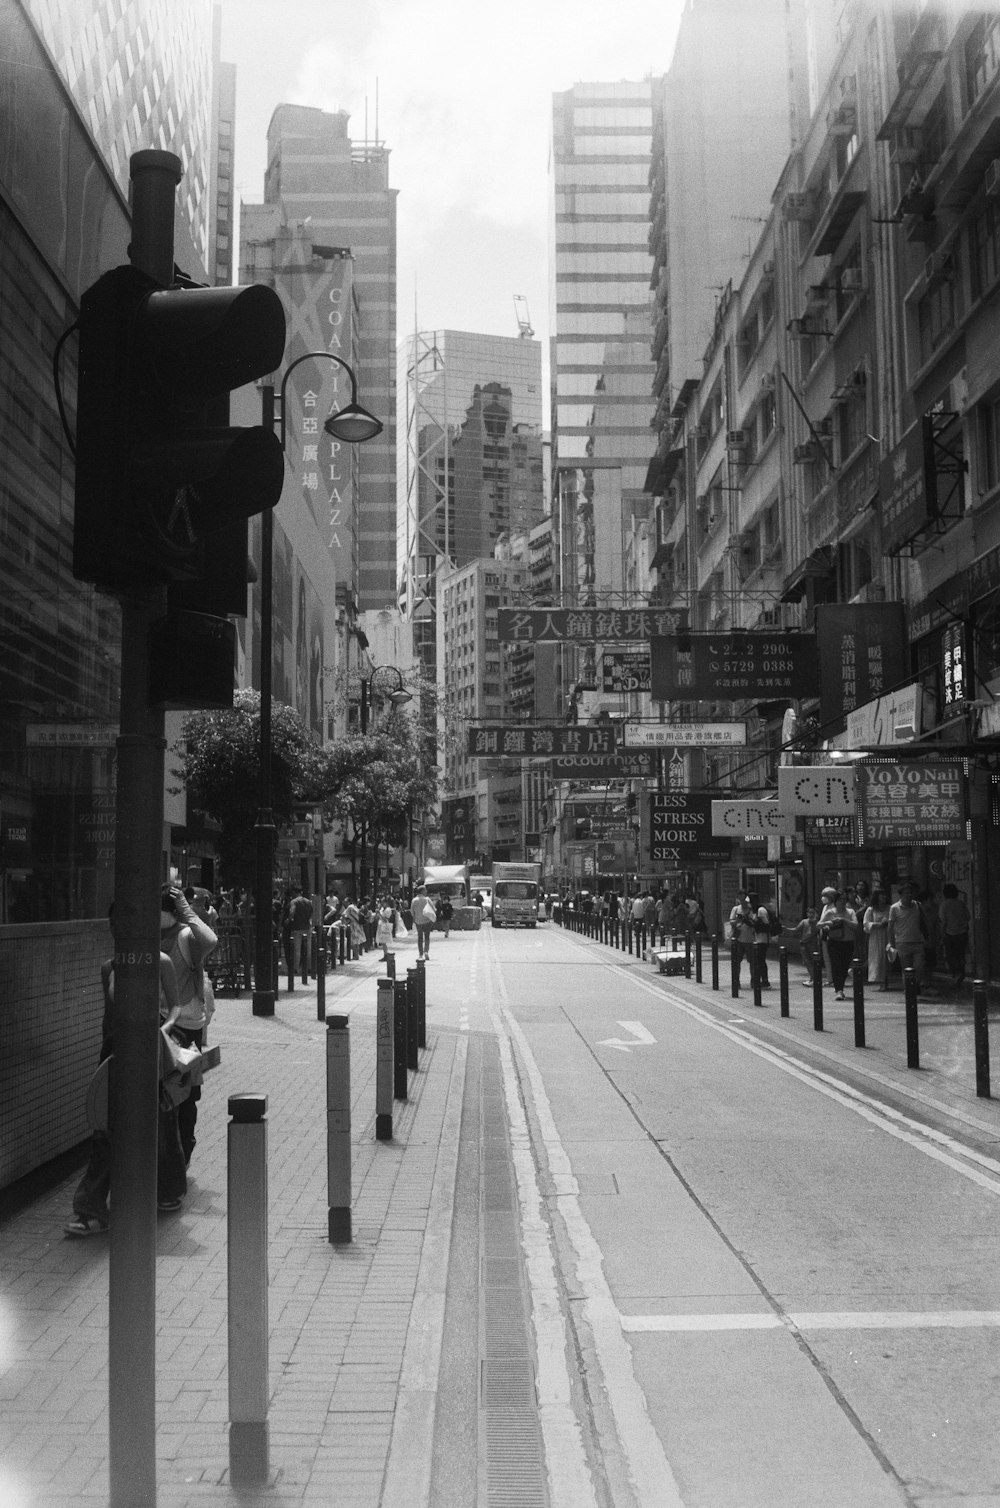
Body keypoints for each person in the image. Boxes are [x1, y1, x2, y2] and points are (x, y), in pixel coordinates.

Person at [65, 916, 188, 1235]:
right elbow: (113, 1007)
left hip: (153, 1046)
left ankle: (167, 1189)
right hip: (117, 1051)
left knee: (161, 1117)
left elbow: (175, 1006)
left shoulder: (161, 962)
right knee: (108, 1127)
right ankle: (91, 1206)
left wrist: (165, 1028)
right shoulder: (110, 966)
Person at [159, 883, 217, 1168]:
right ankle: (171, 1158)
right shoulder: (150, 936)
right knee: (166, 1095)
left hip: (187, 1023)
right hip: (160, 1025)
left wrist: (184, 908)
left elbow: (211, 940)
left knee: (186, 1095)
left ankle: (183, 1152)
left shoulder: (184, 935)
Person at [888, 881, 928, 994]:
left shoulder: (917, 905)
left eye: (911, 893)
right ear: (901, 895)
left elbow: (924, 922)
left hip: (917, 942)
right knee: (906, 969)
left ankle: (915, 985)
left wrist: (926, 936)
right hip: (902, 942)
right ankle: (909, 989)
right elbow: (890, 927)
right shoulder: (894, 908)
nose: (909, 895)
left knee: (919, 967)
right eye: (906, 893)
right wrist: (891, 943)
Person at [818, 889, 859, 999]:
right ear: (835, 901)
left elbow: (855, 925)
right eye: (840, 900)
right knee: (836, 965)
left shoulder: (850, 912)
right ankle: (839, 990)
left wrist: (844, 920)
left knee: (844, 967)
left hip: (848, 943)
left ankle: (840, 987)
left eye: (844, 900)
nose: (842, 902)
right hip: (834, 942)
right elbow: (819, 924)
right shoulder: (830, 912)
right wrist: (829, 923)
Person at [940, 883, 971, 983]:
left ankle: (954, 973)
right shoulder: (961, 903)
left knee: (951, 955)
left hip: (949, 934)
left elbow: (943, 921)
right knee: (960, 954)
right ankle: (961, 972)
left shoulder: (944, 905)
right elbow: (968, 917)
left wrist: (941, 934)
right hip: (962, 933)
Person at [863, 889, 891, 990]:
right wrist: (876, 925)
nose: (883, 897)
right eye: (881, 895)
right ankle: (880, 980)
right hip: (875, 936)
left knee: (887, 958)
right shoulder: (871, 910)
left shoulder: (890, 908)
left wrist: (887, 923)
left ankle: (885, 980)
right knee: (877, 959)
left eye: (884, 895)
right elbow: (866, 923)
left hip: (887, 935)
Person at [287, 886, 314, 982]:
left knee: (297, 949)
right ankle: (309, 968)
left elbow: (292, 912)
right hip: (307, 927)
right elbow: (312, 914)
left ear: (295, 893)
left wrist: (288, 919)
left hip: (297, 928)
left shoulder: (294, 902)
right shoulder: (308, 902)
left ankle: (296, 968)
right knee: (308, 949)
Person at [729, 896, 757, 988]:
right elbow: (731, 921)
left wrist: (749, 919)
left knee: (753, 962)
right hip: (738, 939)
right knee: (736, 962)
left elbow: (755, 922)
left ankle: (754, 982)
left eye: (746, 901)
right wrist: (738, 921)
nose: (744, 903)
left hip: (750, 939)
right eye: (742, 901)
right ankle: (736, 982)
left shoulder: (752, 909)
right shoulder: (736, 909)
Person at [747, 891, 773, 988]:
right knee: (758, 960)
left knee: (761, 960)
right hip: (757, 939)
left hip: (763, 939)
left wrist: (756, 923)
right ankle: (760, 980)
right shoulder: (754, 910)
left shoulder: (761, 910)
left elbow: (766, 925)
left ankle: (765, 981)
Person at [410, 884, 437, 959]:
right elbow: (433, 909)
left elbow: (412, 912)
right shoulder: (427, 899)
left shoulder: (414, 900)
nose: (426, 891)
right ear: (422, 891)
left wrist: (415, 918)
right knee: (427, 937)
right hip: (427, 921)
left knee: (420, 938)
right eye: (425, 890)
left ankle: (420, 954)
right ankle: (426, 952)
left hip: (418, 922)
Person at [794, 908, 821, 983]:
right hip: (804, 944)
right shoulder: (804, 922)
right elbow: (797, 930)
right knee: (807, 962)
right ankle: (812, 978)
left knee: (813, 962)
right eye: (809, 913)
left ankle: (814, 978)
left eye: (813, 913)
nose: (811, 914)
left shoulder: (818, 923)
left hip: (813, 944)